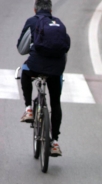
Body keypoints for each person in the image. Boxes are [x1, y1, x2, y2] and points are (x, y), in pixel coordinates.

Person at [17, 0, 70, 157]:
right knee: (55, 102)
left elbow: (21, 49)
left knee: (24, 72)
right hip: (56, 68)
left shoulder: (32, 21)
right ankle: (54, 142)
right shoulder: (58, 24)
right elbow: (64, 49)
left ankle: (28, 109)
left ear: (35, 9)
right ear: (51, 10)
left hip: (35, 66)